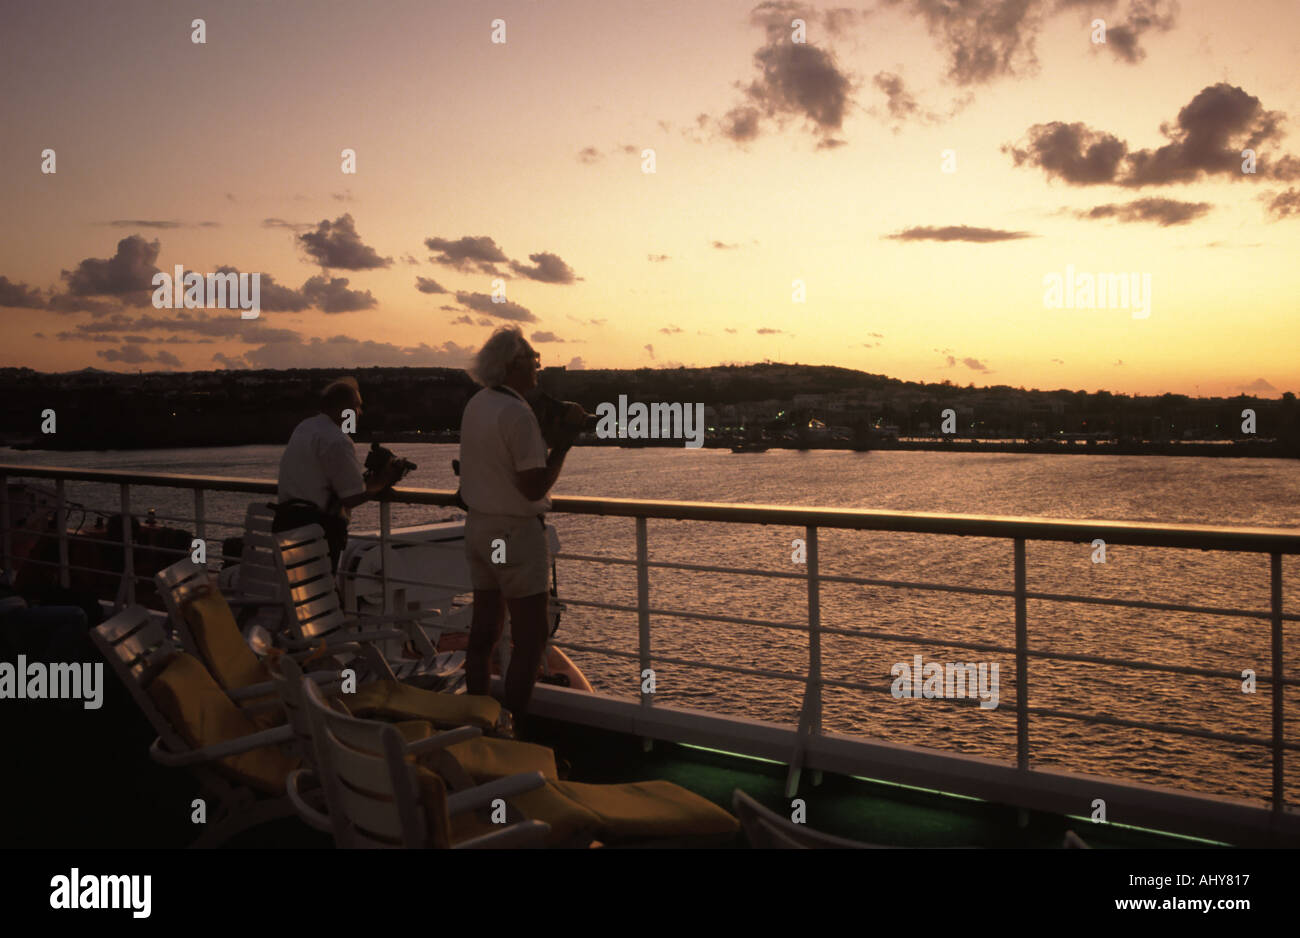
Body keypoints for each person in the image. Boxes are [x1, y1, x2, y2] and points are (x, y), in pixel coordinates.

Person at [458, 327, 583, 732]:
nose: (538, 366)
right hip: (514, 534)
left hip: (480, 530)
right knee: (530, 641)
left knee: (484, 635)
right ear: (513, 365)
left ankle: (477, 726)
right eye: (533, 359)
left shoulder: (477, 404)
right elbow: (533, 487)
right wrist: (564, 442)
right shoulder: (518, 414)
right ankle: (511, 734)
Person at [272, 377, 402, 573]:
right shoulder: (337, 440)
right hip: (314, 533)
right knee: (316, 592)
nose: (360, 412)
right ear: (343, 410)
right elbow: (351, 497)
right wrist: (383, 480)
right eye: (356, 407)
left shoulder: (306, 427)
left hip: (287, 525)